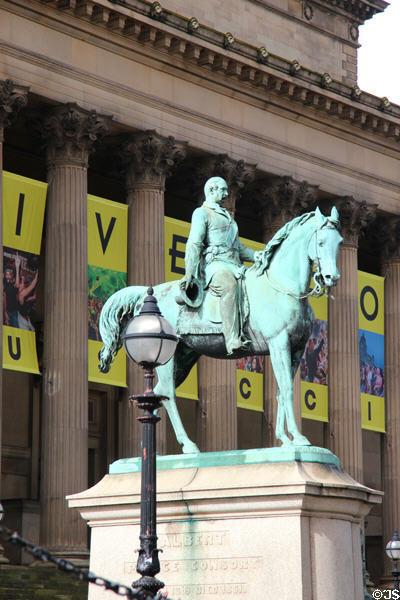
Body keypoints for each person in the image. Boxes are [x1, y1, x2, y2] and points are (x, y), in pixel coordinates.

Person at [181, 176, 262, 354]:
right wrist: (189, 273)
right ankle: (232, 339)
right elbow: (194, 243)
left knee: (256, 285)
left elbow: (239, 249)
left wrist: (258, 255)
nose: (226, 194)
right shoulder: (202, 213)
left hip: (234, 264)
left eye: (226, 190)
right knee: (229, 285)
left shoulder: (229, 219)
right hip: (215, 265)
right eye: (222, 190)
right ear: (211, 190)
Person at [4, 256, 21, 328]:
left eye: (9, 273)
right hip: (7, 311)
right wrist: (5, 313)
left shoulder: (12, 285)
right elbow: (4, 299)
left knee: (16, 330)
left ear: (12, 275)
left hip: (14, 312)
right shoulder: (4, 285)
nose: (8, 275)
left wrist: (17, 267)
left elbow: (17, 285)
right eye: (7, 273)